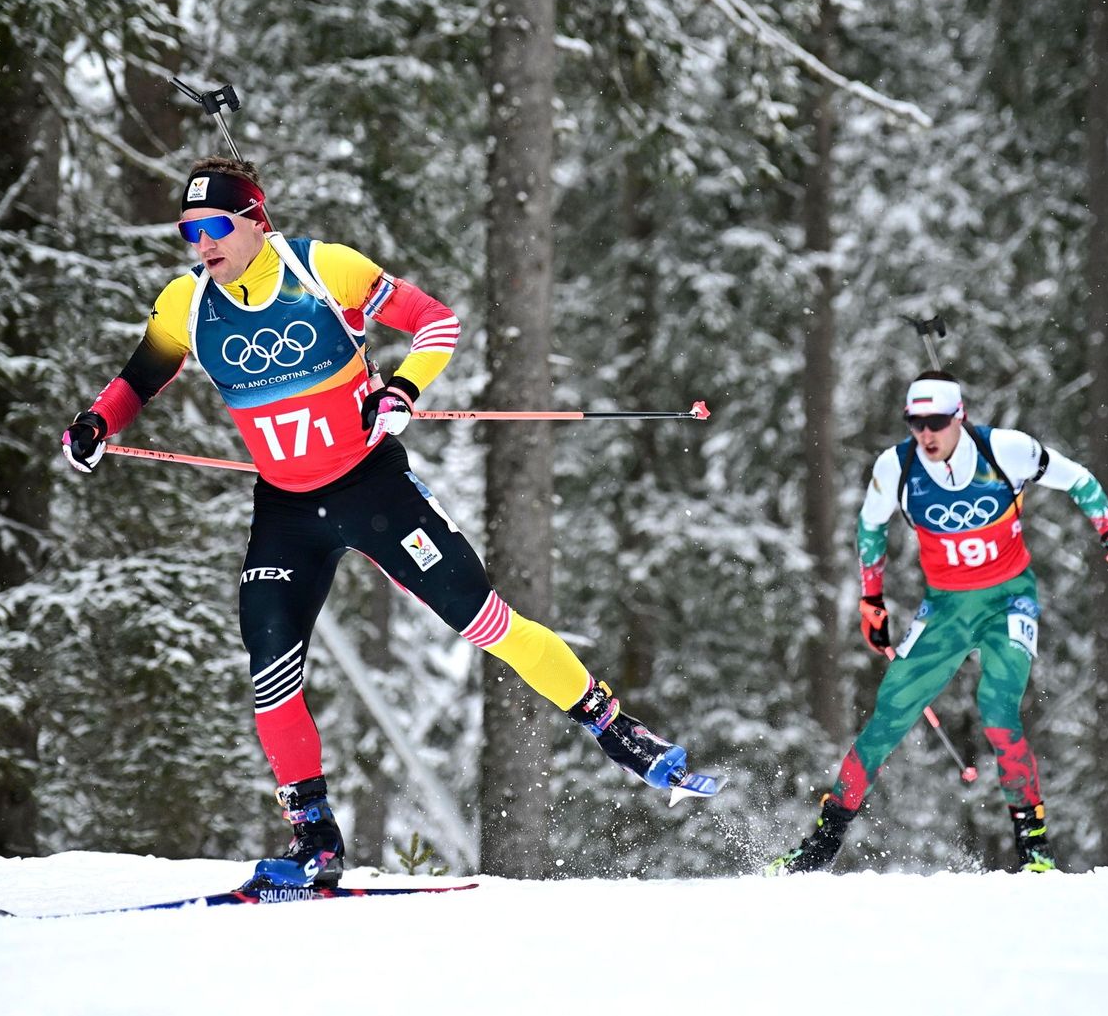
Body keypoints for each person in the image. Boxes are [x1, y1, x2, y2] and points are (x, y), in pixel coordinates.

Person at [62, 156, 697, 888]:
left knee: (484, 620)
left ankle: (618, 728)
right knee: (270, 672)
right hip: (286, 510)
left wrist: (400, 388)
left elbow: (437, 322)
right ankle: (316, 843)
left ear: (255, 220)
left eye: (213, 227)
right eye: (187, 231)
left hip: (373, 489)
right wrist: (94, 423)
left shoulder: (322, 270)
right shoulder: (186, 303)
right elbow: (139, 377)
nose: (200, 243)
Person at [766, 371, 1108, 874]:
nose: (926, 434)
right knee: (888, 716)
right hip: (945, 608)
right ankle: (819, 847)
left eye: (937, 422)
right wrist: (871, 600)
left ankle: (1034, 848)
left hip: (1008, 602)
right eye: (916, 423)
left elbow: (1078, 478)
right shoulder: (897, 466)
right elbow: (870, 526)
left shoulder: (1005, 451)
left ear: (959, 417)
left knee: (996, 708)